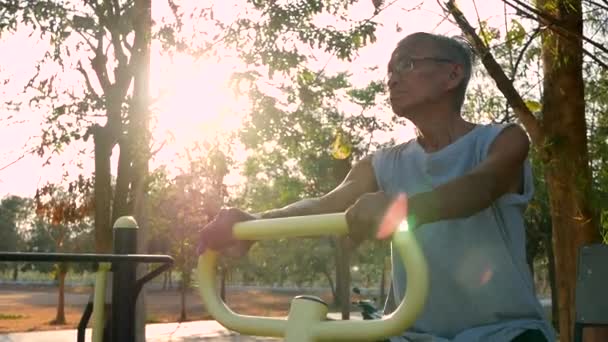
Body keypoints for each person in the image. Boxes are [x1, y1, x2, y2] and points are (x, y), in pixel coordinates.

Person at [197, 32, 556, 342]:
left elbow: (481, 187)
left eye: (407, 65)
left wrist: (400, 210)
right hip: (412, 333)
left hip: (505, 334)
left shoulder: (501, 140)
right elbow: (328, 205)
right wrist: (256, 222)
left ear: (452, 74)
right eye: (390, 70)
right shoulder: (382, 163)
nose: (392, 79)